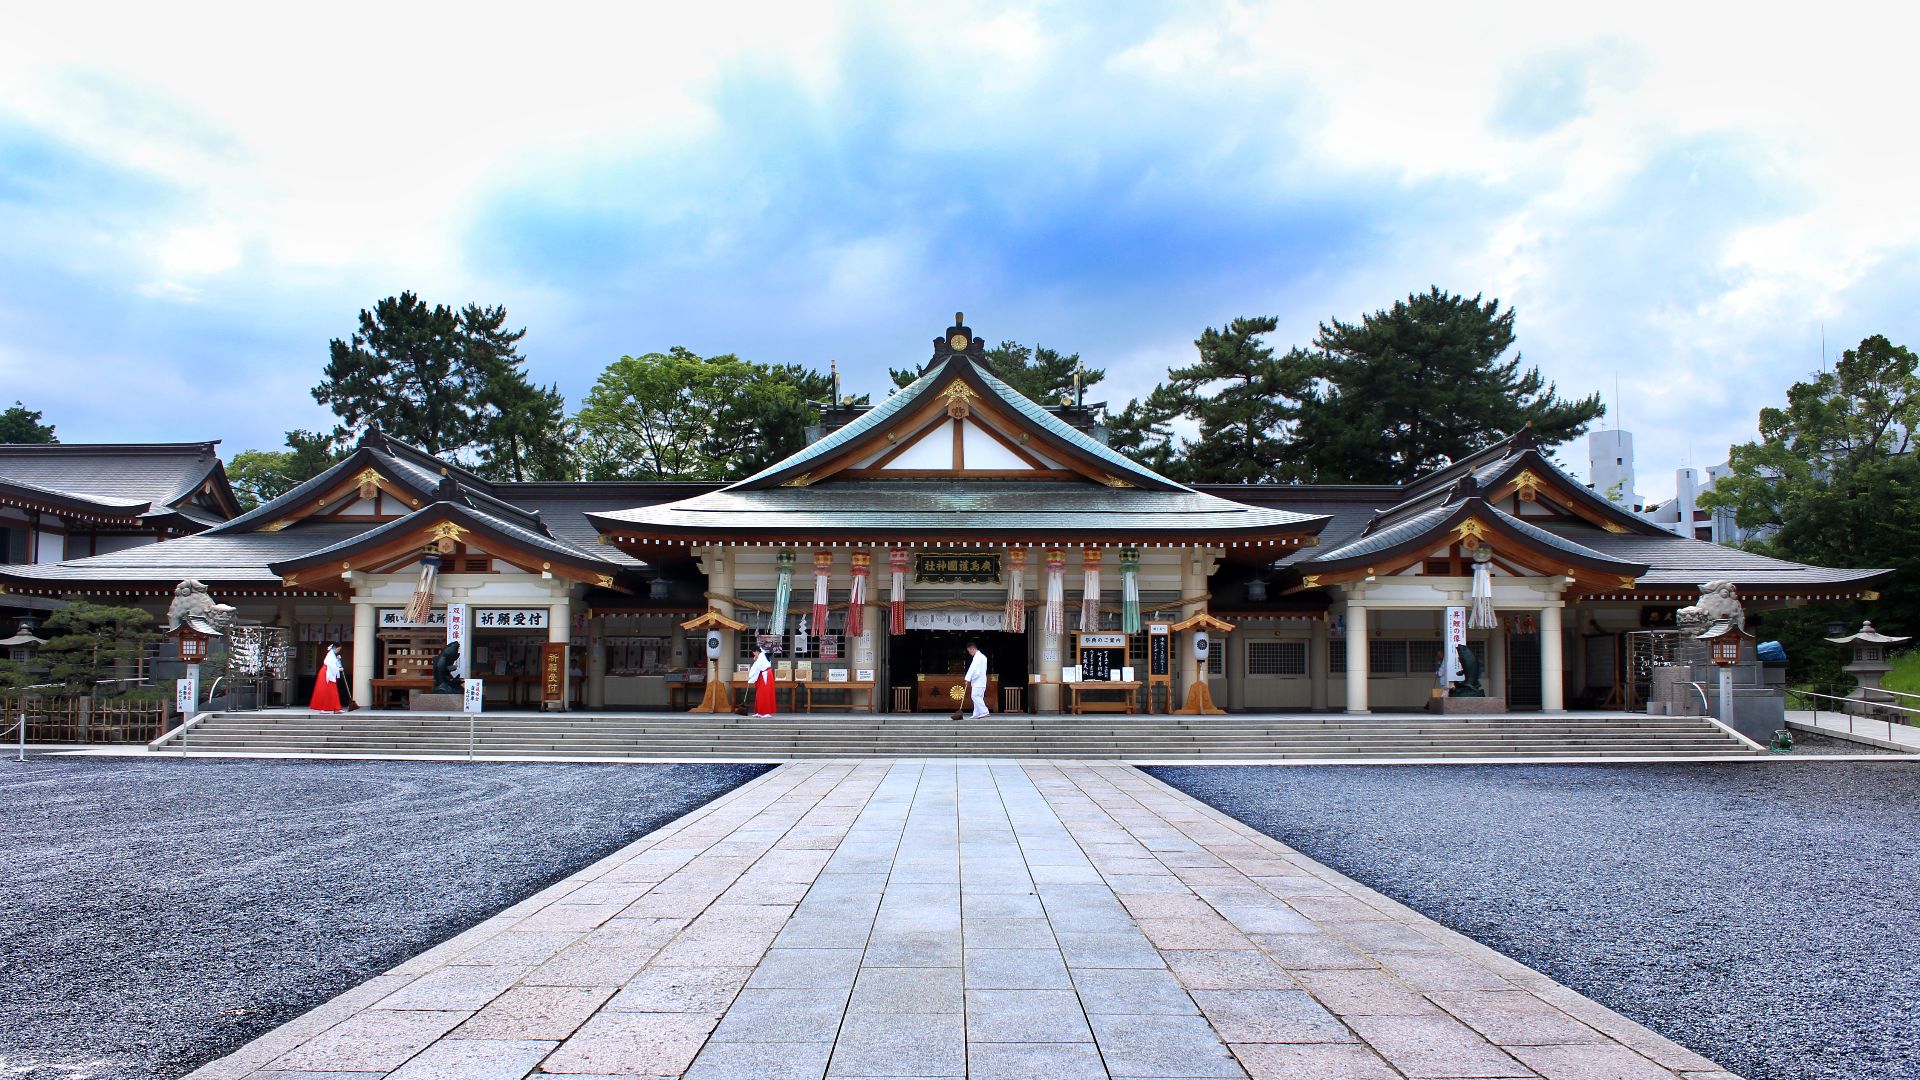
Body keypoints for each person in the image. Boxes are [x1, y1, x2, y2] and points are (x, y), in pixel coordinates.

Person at [310, 643, 345, 712]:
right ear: (334, 648)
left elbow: (334, 664)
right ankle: (323, 708)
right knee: (324, 691)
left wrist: (337, 659)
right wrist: (338, 669)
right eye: (338, 649)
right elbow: (330, 665)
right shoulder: (330, 655)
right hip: (326, 673)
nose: (338, 651)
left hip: (329, 673)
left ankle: (336, 708)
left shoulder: (332, 655)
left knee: (333, 692)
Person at [962, 641, 990, 720]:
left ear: (972, 649)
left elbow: (973, 669)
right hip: (981, 681)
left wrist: (967, 679)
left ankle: (984, 711)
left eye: (969, 651)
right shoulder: (983, 656)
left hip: (979, 681)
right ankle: (977, 713)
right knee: (979, 697)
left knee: (975, 696)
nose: (969, 653)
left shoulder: (978, 657)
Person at [747, 643, 776, 717]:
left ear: (756, 651)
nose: (754, 655)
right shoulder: (761, 655)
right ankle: (759, 712)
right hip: (763, 675)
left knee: (765, 693)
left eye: (754, 653)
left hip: (765, 675)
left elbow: (756, 669)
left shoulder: (761, 657)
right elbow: (756, 667)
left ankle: (767, 712)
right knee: (759, 694)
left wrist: (751, 679)